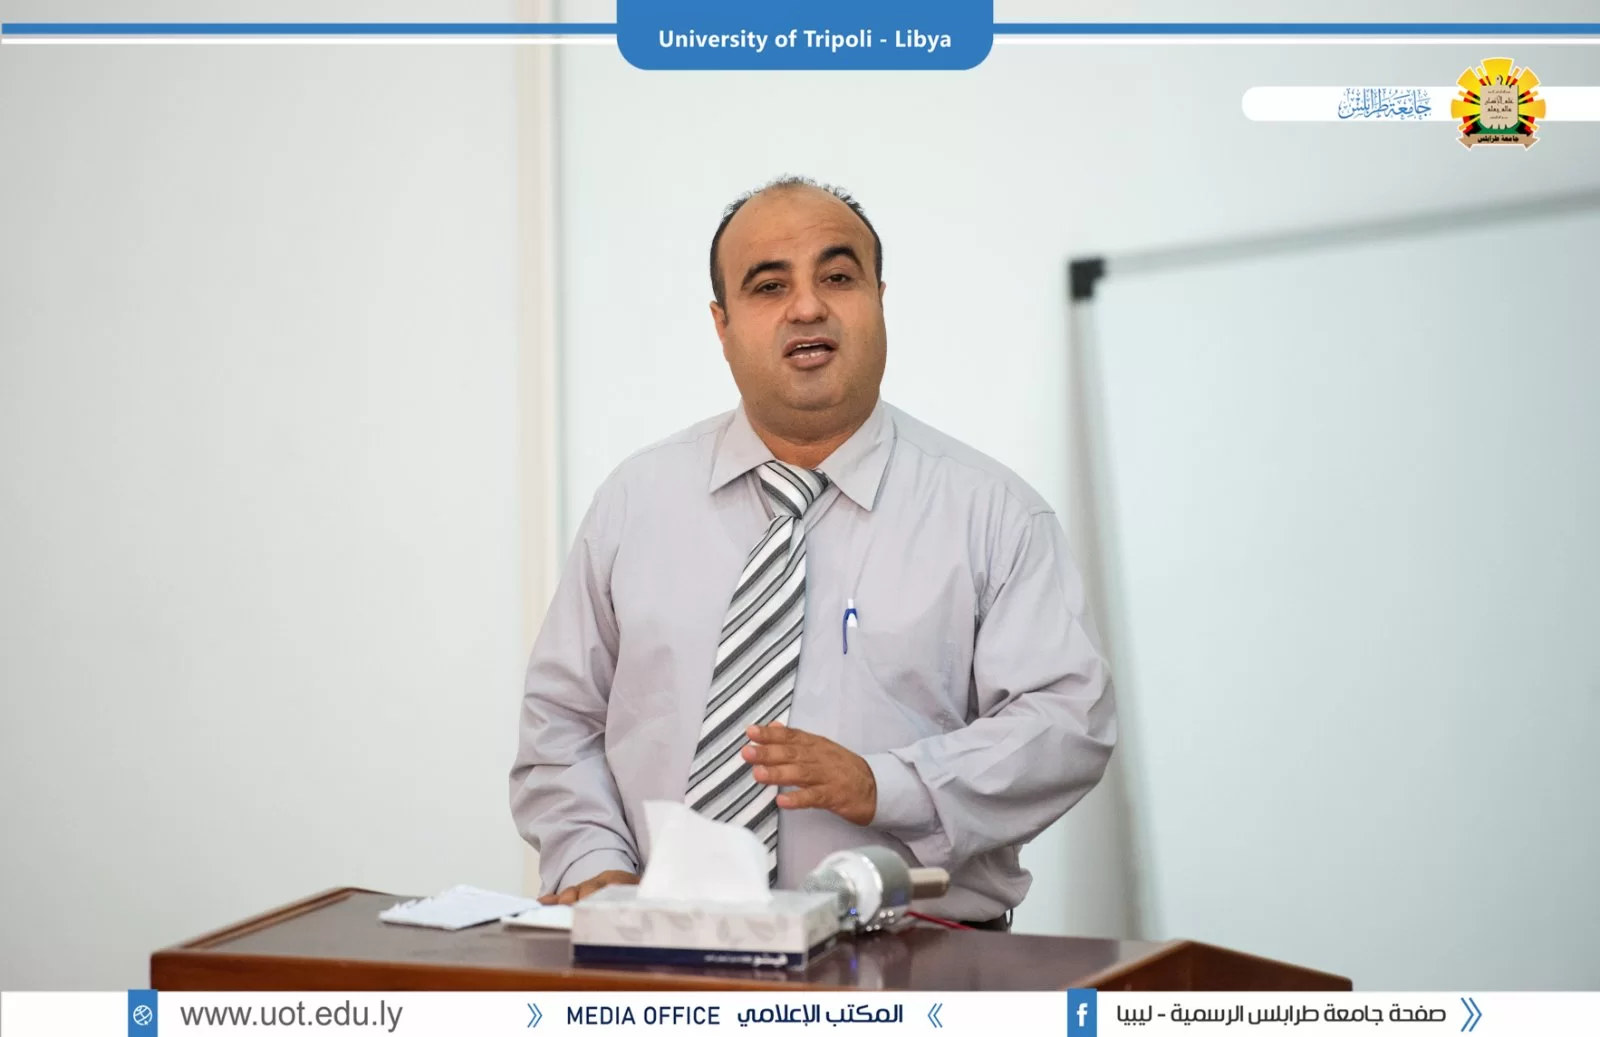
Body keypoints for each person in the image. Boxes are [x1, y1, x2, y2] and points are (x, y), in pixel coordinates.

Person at [509, 176, 1116, 929]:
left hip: (919, 955)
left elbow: (1066, 723)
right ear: (722, 325)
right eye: (770, 286)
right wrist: (594, 864)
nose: (806, 307)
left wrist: (888, 785)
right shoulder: (635, 503)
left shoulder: (994, 513)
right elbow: (561, 721)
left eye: (837, 277)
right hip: (659, 949)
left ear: (879, 300)